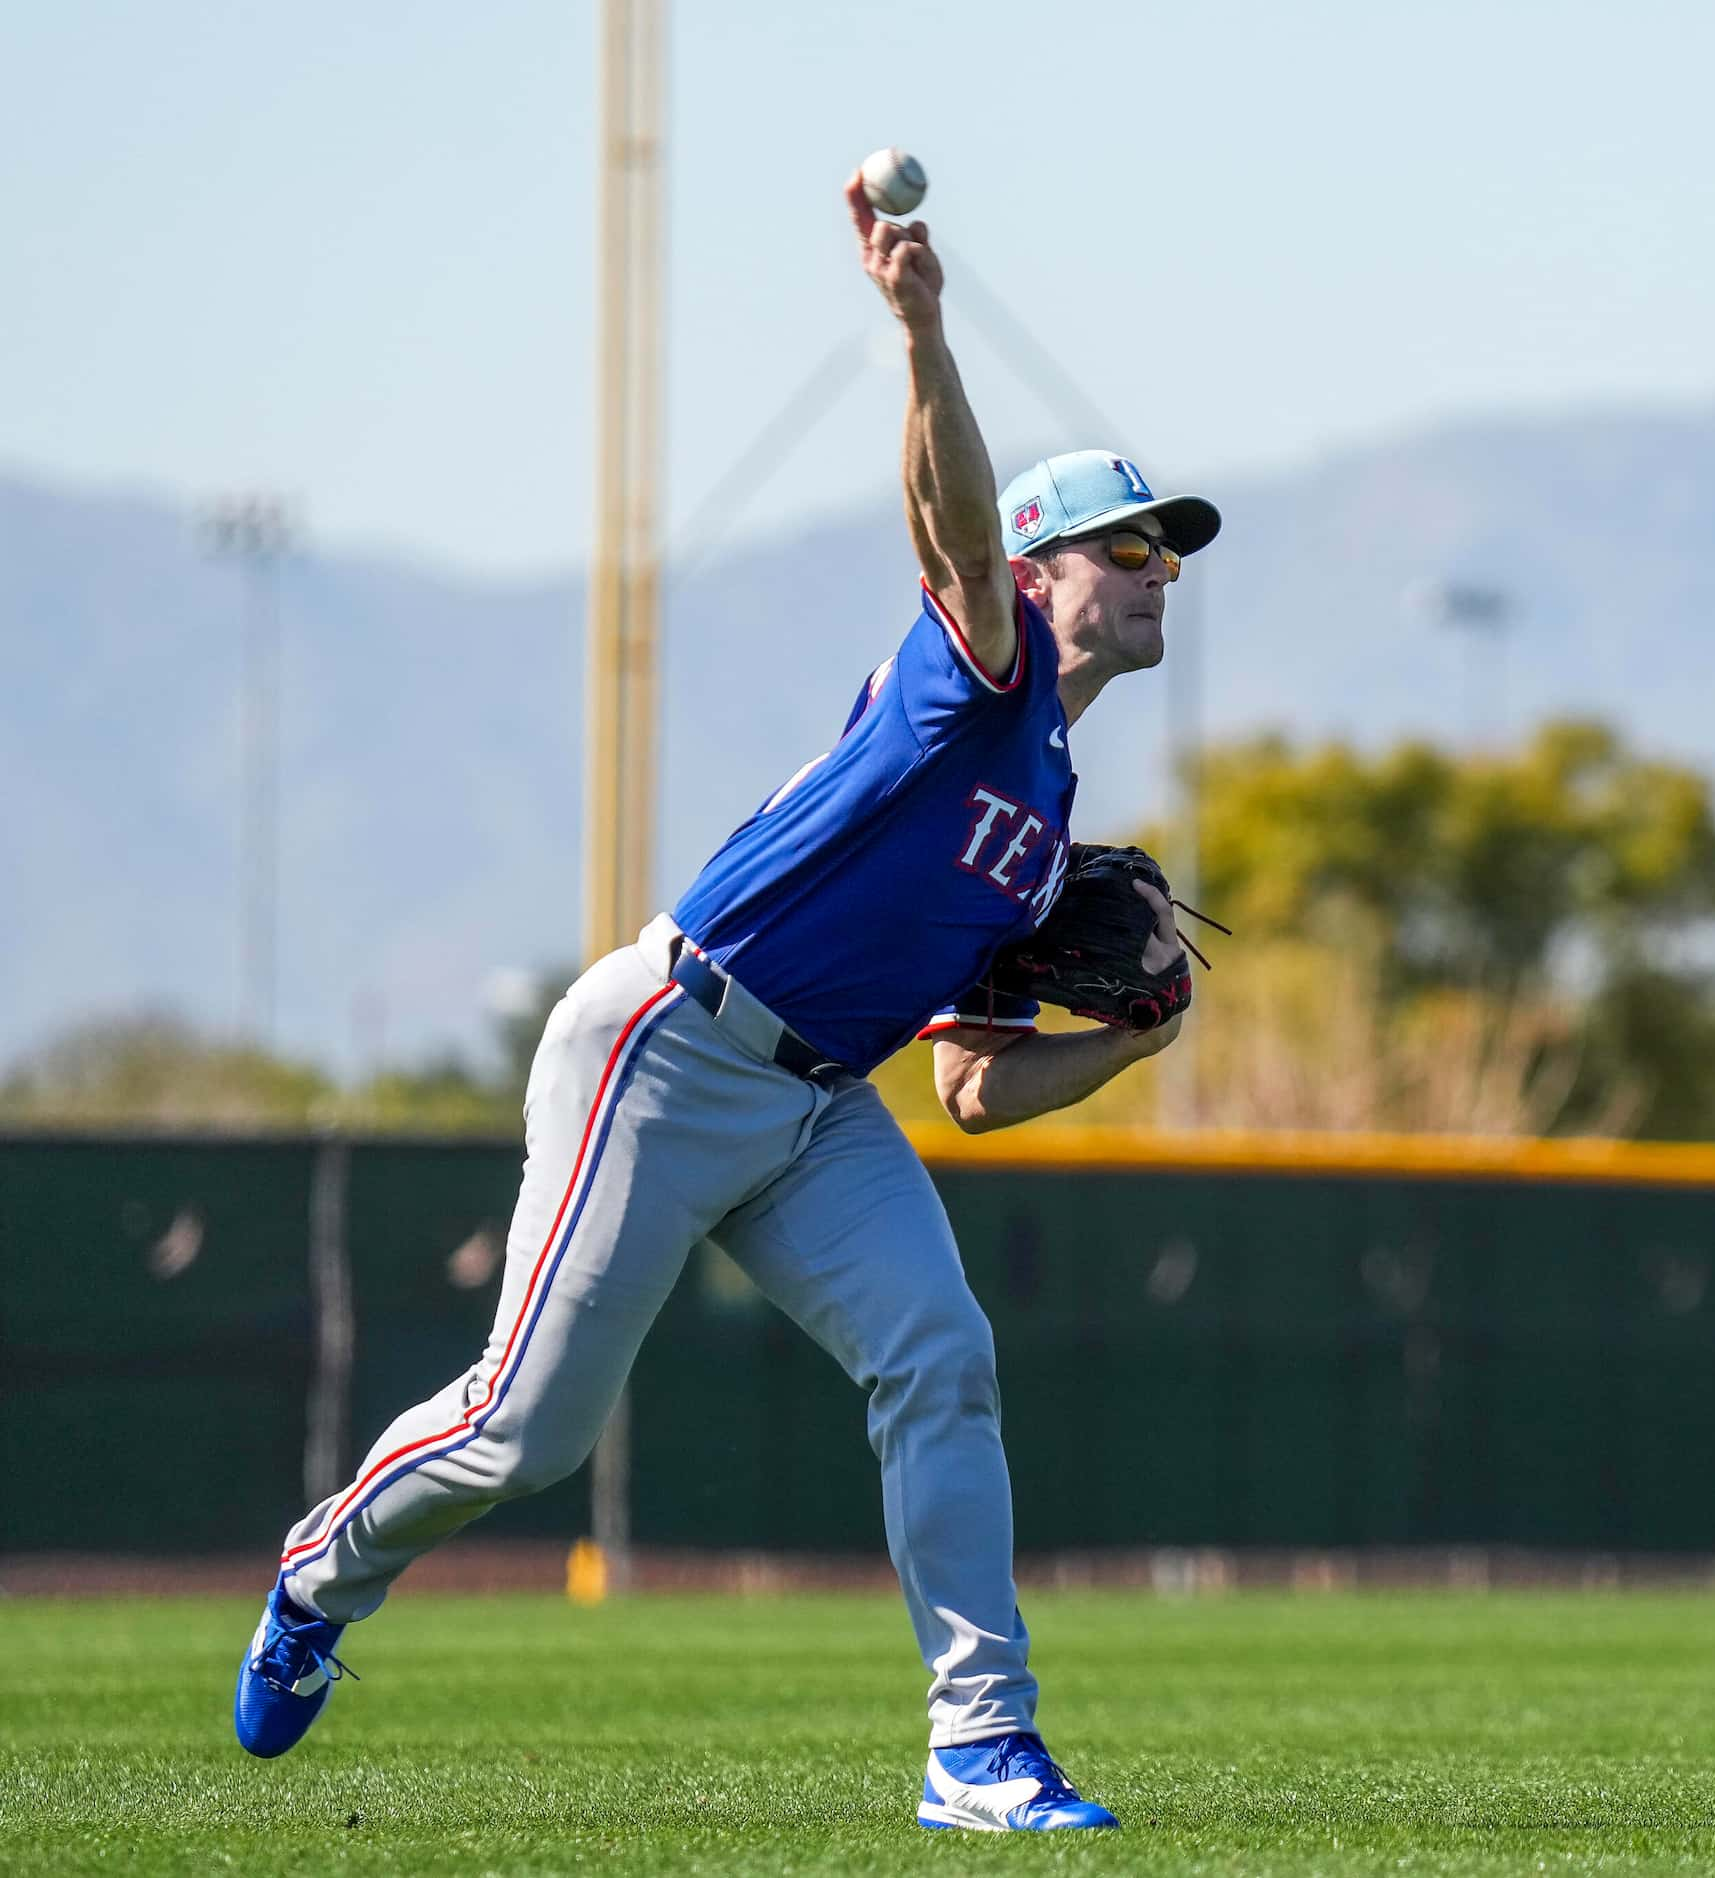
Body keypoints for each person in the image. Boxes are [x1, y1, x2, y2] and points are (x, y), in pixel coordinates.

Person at [231, 171, 1221, 1834]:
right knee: (525, 1432)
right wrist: (920, 332)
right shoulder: (982, 676)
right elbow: (956, 519)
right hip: (669, 1045)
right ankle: (322, 1572)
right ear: (1045, 570)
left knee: (940, 1353)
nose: (1159, 572)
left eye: (1168, 553)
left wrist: (1122, 1049)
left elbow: (973, 1091)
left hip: (817, 1102)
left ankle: (980, 1748)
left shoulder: (1040, 804)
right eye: (1129, 546)